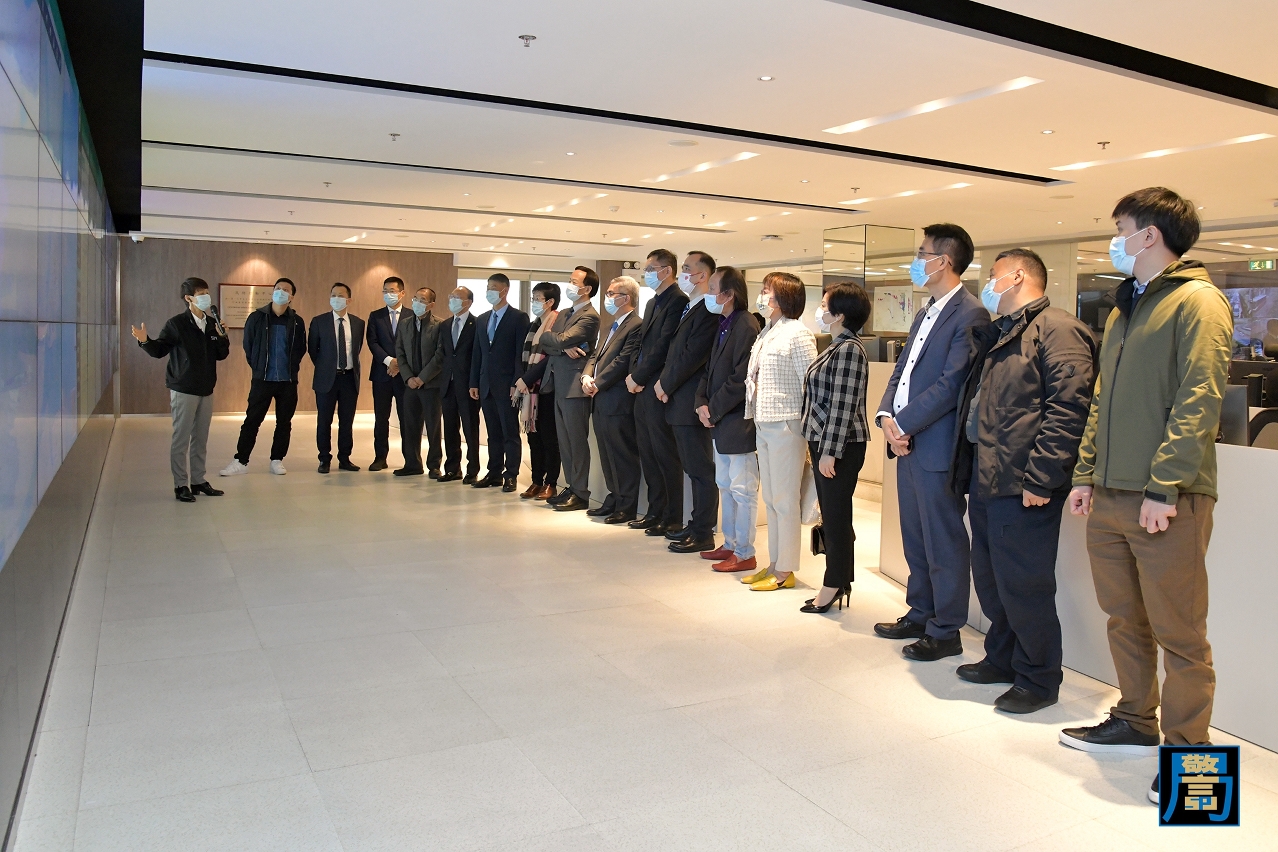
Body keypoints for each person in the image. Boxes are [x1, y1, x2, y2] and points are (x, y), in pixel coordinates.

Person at [1061, 188, 1233, 806]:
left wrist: (1166, 485)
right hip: (1111, 493)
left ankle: (1194, 765)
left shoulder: (1198, 302)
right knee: (1124, 618)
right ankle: (1136, 719)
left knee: (1181, 634)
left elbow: (1199, 398)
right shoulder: (1125, 308)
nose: (1115, 240)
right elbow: (1102, 400)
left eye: (1121, 229)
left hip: (1167, 498)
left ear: (1150, 235)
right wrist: (1085, 474)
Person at [949, 248, 1098, 712]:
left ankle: (1038, 677)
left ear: (1017, 277)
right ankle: (1003, 657)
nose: (988, 284)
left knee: (1024, 584)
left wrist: (1042, 477)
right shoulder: (1003, 332)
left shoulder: (1058, 329)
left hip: (1023, 481)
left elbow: (1068, 411)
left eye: (993, 275)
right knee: (991, 577)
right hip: (988, 474)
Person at [872, 223, 991, 661]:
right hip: (907, 441)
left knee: (943, 540)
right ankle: (920, 612)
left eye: (922, 253)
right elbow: (901, 371)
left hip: (936, 445)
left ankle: (946, 629)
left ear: (944, 260)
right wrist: (886, 415)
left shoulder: (970, 313)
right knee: (915, 536)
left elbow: (951, 384)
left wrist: (904, 423)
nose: (917, 260)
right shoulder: (925, 312)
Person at [740, 272, 817, 591]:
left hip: (787, 423)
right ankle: (774, 562)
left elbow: (811, 382)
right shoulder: (767, 331)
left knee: (785, 500)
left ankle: (785, 569)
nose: (762, 296)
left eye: (767, 291)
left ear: (784, 297)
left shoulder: (798, 333)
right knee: (771, 499)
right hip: (764, 420)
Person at [800, 283, 873, 612]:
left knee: (836, 516)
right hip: (827, 441)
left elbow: (842, 406)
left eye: (825, 305)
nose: (820, 310)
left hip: (839, 444)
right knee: (834, 514)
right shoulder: (837, 346)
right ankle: (840, 580)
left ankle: (833, 584)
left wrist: (829, 450)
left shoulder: (849, 350)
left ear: (840, 314)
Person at [132, 276, 230, 501]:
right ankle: (180, 485)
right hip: (184, 388)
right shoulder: (176, 324)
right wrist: (145, 340)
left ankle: (198, 480)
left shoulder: (212, 323)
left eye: (207, 293)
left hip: (206, 388)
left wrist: (223, 337)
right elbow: (159, 350)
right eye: (201, 294)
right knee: (181, 439)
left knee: (200, 438)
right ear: (188, 298)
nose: (206, 298)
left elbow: (221, 355)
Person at [695, 266, 761, 573]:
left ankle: (745, 551)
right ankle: (731, 543)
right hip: (720, 419)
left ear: (729, 294)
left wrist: (714, 408)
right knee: (725, 484)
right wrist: (701, 403)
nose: (708, 294)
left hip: (737, 419)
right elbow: (709, 371)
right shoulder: (723, 323)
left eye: (712, 289)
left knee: (742, 489)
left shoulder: (746, 324)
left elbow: (741, 378)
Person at [657, 251, 721, 554]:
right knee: (692, 468)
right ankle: (694, 524)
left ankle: (703, 531)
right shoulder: (690, 306)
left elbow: (692, 356)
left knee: (700, 469)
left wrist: (665, 384)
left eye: (686, 268)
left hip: (690, 399)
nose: (682, 273)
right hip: (678, 399)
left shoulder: (708, 310)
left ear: (703, 275)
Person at [626, 249, 689, 535]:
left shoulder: (678, 300)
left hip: (658, 386)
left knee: (665, 454)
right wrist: (633, 375)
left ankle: (672, 516)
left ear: (667, 270)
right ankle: (654, 511)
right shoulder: (652, 302)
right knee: (648, 452)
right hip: (641, 386)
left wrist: (639, 377)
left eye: (651, 269)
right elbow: (641, 342)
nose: (647, 274)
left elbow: (664, 346)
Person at [220, 278, 306, 477]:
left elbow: (300, 348)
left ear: (292, 296)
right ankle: (241, 461)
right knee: (252, 420)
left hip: (287, 380)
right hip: (262, 379)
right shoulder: (257, 317)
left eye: (286, 290)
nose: (281, 292)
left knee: (284, 422)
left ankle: (277, 460)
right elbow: (248, 346)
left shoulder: (296, 321)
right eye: (278, 288)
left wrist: (291, 368)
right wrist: (259, 367)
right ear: (272, 292)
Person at [532, 267, 600, 512]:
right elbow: (547, 342)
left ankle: (581, 492)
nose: (570, 285)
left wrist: (558, 341)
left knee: (576, 441)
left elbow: (556, 339)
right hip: (558, 383)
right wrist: (562, 345)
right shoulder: (565, 313)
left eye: (574, 282)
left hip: (575, 386)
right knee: (564, 441)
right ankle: (571, 487)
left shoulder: (590, 316)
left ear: (587, 289)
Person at [582, 277, 645, 523]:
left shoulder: (636, 325)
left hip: (618, 400)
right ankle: (614, 497)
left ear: (626, 298)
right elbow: (595, 356)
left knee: (622, 454)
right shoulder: (611, 326)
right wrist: (587, 376)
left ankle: (626, 505)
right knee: (607, 454)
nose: (606, 297)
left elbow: (622, 361)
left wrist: (598, 383)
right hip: (600, 399)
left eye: (611, 293)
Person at [470, 273, 530, 492]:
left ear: (505, 290)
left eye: (494, 287)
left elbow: (520, 353)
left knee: (509, 432)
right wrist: (474, 381)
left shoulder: (519, 317)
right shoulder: (482, 319)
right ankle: (493, 472)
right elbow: (478, 353)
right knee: (492, 432)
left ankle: (511, 474)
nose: (490, 291)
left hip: (507, 385)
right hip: (485, 383)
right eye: (488, 287)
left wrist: (516, 381)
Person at [310, 283, 365, 473]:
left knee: (347, 421)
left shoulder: (358, 323)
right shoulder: (319, 321)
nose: (336, 298)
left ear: (349, 300)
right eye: (333, 295)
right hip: (326, 379)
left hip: (349, 378)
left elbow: (357, 349)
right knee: (324, 420)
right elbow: (313, 350)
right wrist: (326, 367)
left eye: (340, 295)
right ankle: (324, 458)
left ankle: (345, 458)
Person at [515, 282, 562, 500]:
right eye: (533, 298)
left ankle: (551, 482)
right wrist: (521, 379)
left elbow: (551, 357)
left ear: (550, 302)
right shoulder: (534, 324)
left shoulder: (557, 322)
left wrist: (527, 378)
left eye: (537, 298)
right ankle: (536, 481)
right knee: (534, 438)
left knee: (549, 438)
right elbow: (523, 355)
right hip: (530, 390)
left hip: (547, 387)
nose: (534, 302)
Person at [395, 287, 445, 477]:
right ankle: (412, 463)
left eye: (422, 300)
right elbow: (400, 352)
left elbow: (440, 355)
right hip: (410, 384)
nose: (417, 303)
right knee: (410, 425)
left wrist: (422, 378)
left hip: (431, 384)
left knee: (433, 426)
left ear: (431, 304)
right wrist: (409, 377)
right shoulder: (405, 324)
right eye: (415, 298)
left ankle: (434, 465)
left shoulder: (439, 325)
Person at [437, 287, 480, 483]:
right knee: (450, 428)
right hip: (448, 384)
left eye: (457, 297)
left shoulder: (477, 324)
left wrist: (474, 382)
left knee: (470, 429)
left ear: (468, 302)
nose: (452, 300)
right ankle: (452, 468)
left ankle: (473, 469)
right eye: (451, 296)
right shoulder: (445, 325)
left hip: (468, 385)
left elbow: (478, 356)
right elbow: (444, 354)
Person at [366, 276, 408, 471]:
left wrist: (399, 364)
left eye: (392, 291)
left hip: (405, 376)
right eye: (385, 291)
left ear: (402, 293)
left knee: (407, 418)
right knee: (381, 418)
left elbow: (413, 344)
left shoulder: (411, 315)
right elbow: (372, 342)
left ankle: (411, 459)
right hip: (381, 374)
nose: (388, 294)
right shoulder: (375, 316)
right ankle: (380, 457)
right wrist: (389, 361)